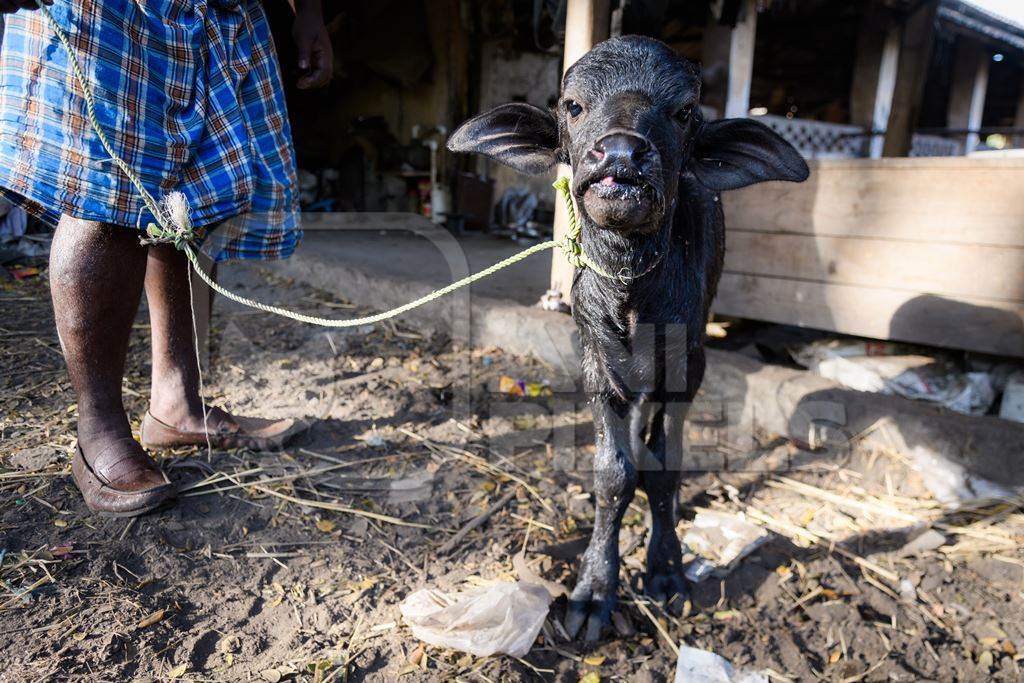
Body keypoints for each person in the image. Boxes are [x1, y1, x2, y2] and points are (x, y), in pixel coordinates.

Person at [0, 0, 333, 516]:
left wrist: (307, 8)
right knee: (108, 187)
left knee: (196, 195)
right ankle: (100, 427)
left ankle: (176, 402)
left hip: (219, 12)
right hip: (113, 10)